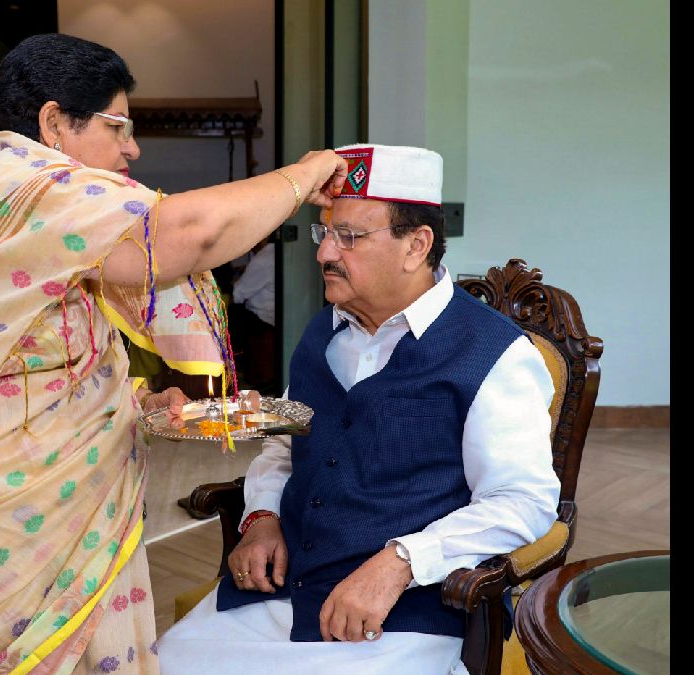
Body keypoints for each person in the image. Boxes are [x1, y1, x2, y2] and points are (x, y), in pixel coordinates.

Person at [0, 33, 348, 674]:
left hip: (25, 489)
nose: (131, 149)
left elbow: (33, 347)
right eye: (117, 127)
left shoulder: (3, 190)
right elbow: (189, 234)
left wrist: (135, 399)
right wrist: (305, 173)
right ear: (54, 123)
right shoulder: (27, 188)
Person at [158, 144, 562, 675]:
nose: (325, 253)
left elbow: (523, 501)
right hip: (278, 597)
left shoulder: (493, 353)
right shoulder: (323, 332)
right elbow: (286, 448)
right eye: (325, 233)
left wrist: (400, 563)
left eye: (348, 237)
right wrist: (261, 519)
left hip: (403, 619)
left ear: (416, 245)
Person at [229, 238, 277, 392]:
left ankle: (234, 374)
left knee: (228, 314)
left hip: (262, 318)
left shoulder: (264, 259)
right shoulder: (277, 253)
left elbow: (237, 294)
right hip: (275, 315)